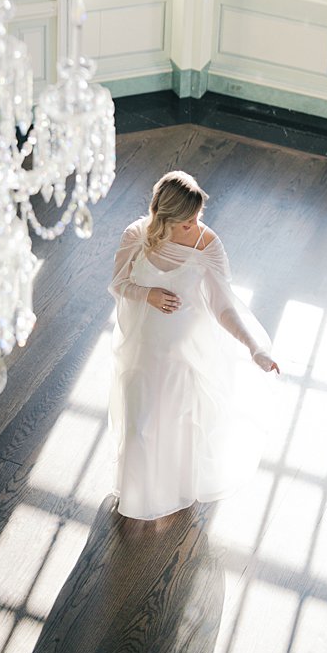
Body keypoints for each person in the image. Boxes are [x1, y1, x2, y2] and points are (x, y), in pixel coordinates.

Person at [108, 170, 280, 521]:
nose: (196, 225)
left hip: (183, 359)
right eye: (187, 221)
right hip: (142, 351)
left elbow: (224, 306)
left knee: (175, 427)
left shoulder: (207, 245)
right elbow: (118, 284)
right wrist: (148, 294)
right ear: (165, 218)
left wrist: (254, 348)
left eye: (197, 217)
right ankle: (136, 499)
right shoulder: (136, 235)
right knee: (139, 426)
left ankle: (172, 492)